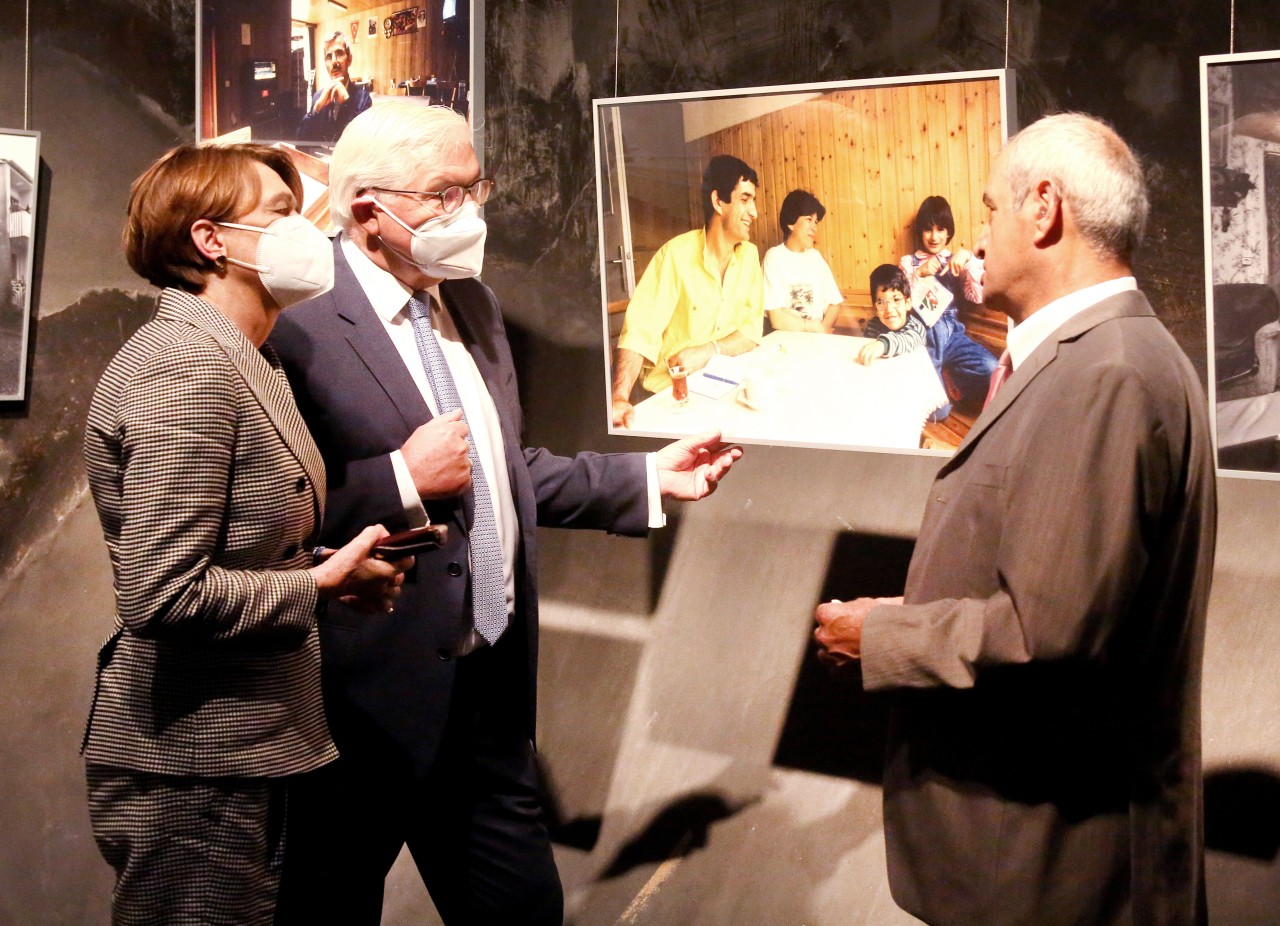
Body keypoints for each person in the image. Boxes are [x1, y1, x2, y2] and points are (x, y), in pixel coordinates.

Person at [267, 102, 742, 925]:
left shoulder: (473, 305)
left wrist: (642, 481)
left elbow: (500, 472)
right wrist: (397, 479)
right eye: (445, 194)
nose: (471, 212)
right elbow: (260, 513)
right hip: (355, 713)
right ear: (369, 210)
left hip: (486, 696)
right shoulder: (296, 322)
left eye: (475, 186)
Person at [814, 113, 1216, 925]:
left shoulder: (1108, 377)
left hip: (1056, 870)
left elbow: (1045, 637)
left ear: (1044, 208)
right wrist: (910, 611)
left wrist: (884, 639)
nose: (978, 236)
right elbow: (1060, 592)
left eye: (990, 209)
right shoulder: (1101, 361)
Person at [82, 143, 409, 925]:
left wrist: (326, 568)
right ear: (212, 240)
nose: (307, 232)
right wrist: (318, 586)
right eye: (281, 214)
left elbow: (236, 546)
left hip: (248, 747)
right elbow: (162, 594)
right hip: (192, 761)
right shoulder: (186, 368)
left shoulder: (243, 359)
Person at [611, 154, 763, 427]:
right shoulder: (675, 256)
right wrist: (620, 397)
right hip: (668, 397)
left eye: (753, 201)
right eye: (744, 199)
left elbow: (751, 332)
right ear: (718, 202)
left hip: (722, 389)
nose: (754, 212)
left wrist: (710, 350)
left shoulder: (750, 256)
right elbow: (639, 333)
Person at [899, 194, 998, 417]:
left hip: (953, 336)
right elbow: (901, 305)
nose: (934, 237)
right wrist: (919, 274)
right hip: (923, 341)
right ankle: (941, 381)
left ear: (948, 232)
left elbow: (977, 297)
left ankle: (950, 378)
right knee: (938, 413)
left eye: (941, 229)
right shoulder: (908, 262)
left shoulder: (956, 259)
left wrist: (969, 259)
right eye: (928, 229)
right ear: (920, 232)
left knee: (992, 369)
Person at [761, 188, 844, 333]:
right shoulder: (774, 257)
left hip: (816, 339)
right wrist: (813, 328)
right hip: (785, 342)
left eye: (816, 221)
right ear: (791, 223)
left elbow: (834, 304)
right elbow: (777, 318)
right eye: (808, 220)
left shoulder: (815, 257)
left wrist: (822, 331)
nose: (814, 227)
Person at [297, 31, 372, 144]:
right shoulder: (318, 96)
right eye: (328, 56)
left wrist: (347, 103)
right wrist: (315, 110)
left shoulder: (363, 99)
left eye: (339, 53)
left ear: (349, 59)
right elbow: (301, 143)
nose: (333, 62)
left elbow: (362, 143)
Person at [855, 263, 929, 366]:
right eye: (881, 302)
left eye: (896, 300)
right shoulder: (873, 325)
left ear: (907, 303)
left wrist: (882, 345)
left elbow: (905, 341)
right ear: (875, 308)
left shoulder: (917, 329)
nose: (889, 309)